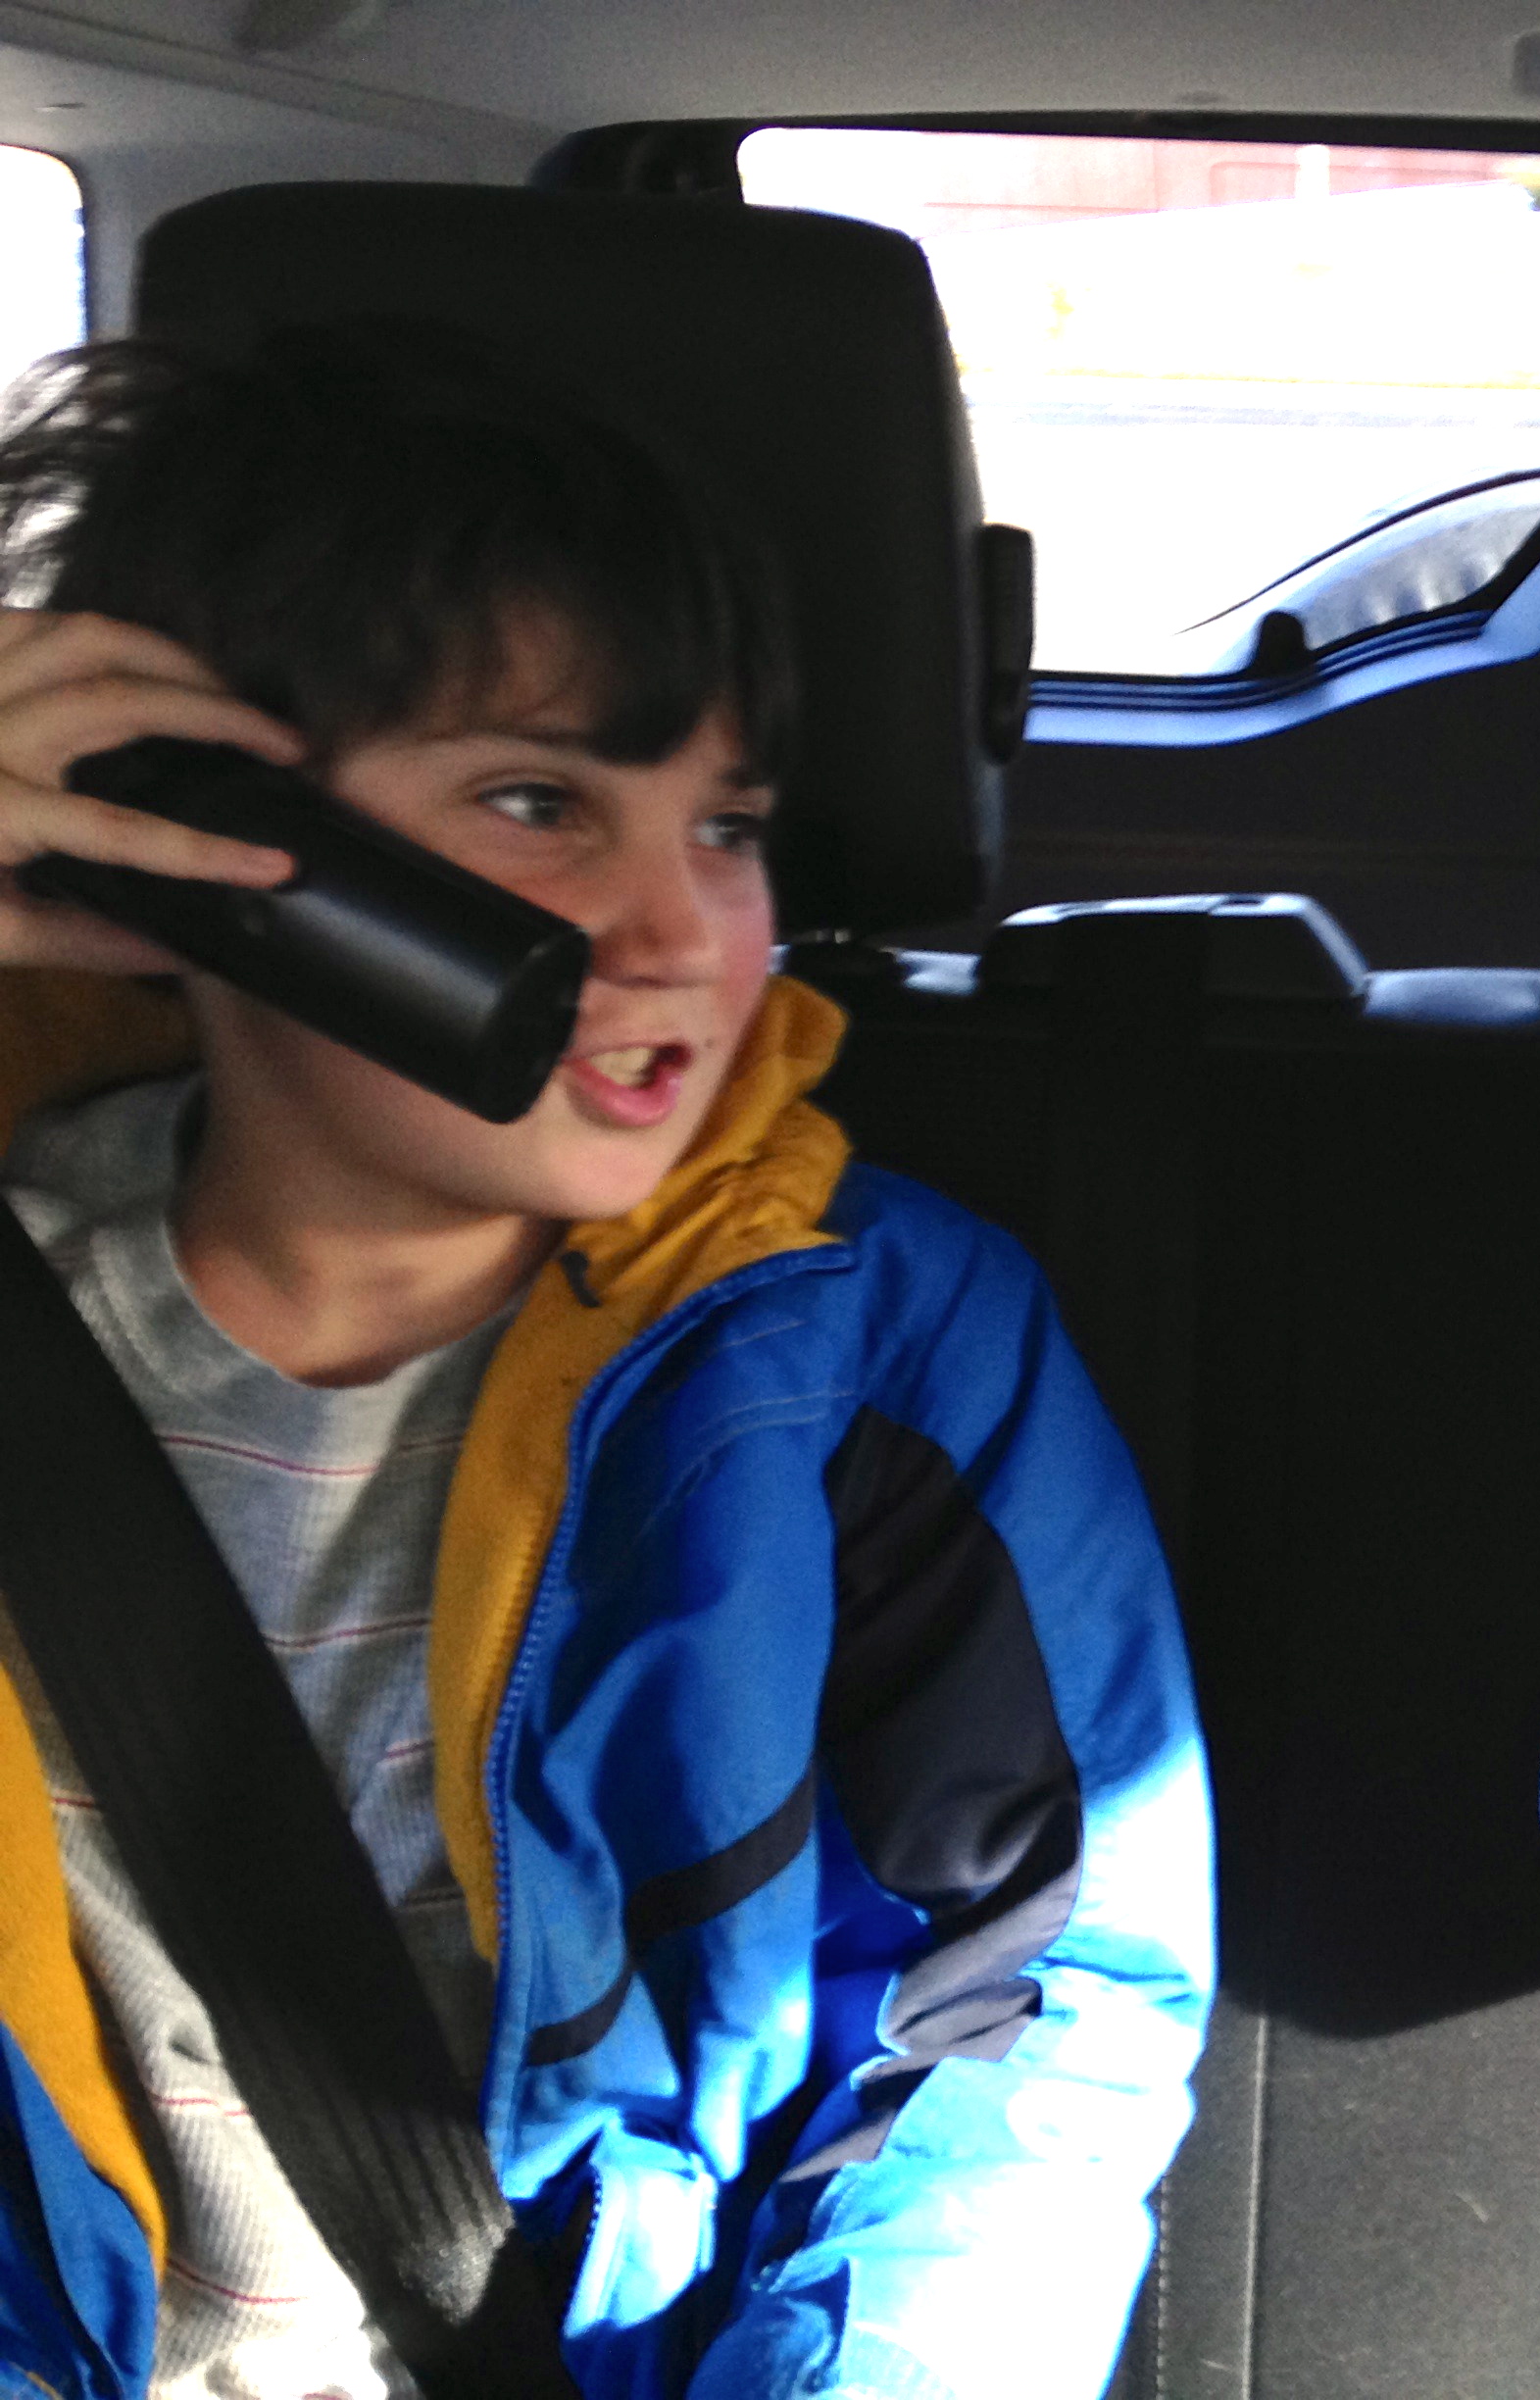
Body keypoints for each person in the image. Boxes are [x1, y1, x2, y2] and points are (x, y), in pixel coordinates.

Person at [0, 325, 1210, 2399]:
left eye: (729, 827)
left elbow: (1028, 2015)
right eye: (539, 802)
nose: (683, 936)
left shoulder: (868, 1343)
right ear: (179, 828)